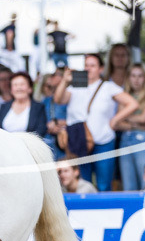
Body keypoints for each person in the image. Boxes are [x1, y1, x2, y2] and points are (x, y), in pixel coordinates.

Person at [53, 53, 138, 191]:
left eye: (92, 65)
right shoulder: (76, 85)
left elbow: (132, 103)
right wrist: (65, 80)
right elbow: (58, 99)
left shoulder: (108, 86)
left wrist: (115, 120)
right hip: (79, 140)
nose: (88, 68)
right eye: (86, 65)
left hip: (103, 140)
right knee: (82, 183)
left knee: (104, 184)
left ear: (101, 68)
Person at [117, 63, 145, 191]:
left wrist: (124, 117)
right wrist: (134, 123)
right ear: (129, 77)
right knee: (128, 185)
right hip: (125, 140)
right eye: (133, 75)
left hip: (143, 139)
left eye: (140, 76)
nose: (136, 79)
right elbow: (117, 123)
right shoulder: (124, 94)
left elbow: (144, 118)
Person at [39, 69, 67, 160]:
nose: (50, 89)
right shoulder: (44, 101)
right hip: (49, 142)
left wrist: (61, 123)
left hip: (65, 141)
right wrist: (47, 126)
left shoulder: (68, 99)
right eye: (48, 86)